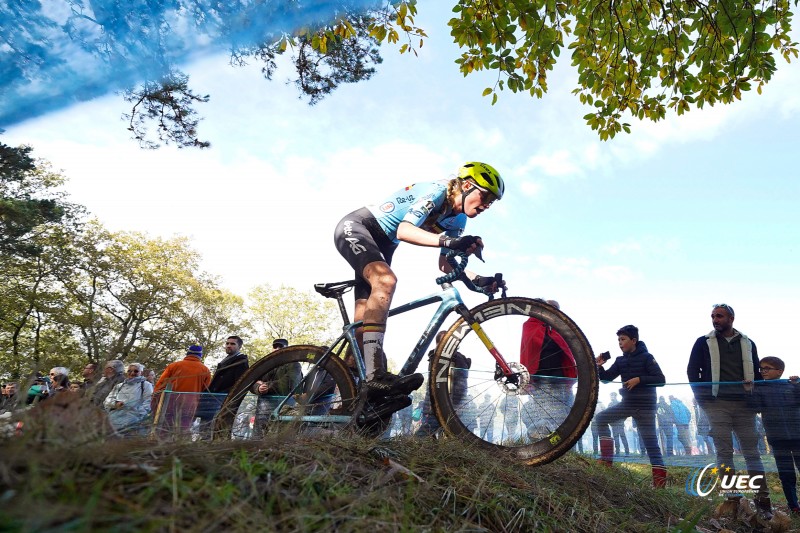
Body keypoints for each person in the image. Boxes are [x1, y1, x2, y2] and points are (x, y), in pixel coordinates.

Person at [333, 162, 505, 415]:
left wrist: (479, 280)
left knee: (361, 334)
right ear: (467, 186)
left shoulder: (457, 220)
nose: (487, 205)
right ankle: (374, 377)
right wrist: (450, 240)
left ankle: (341, 407)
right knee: (385, 281)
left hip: (383, 247)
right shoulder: (438, 191)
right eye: (486, 196)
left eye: (492, 203)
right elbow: (404, 230)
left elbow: (446, 264)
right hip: (359, 227)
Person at [687, 303, 772, 517]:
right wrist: (703, 400)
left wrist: (757, 391)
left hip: (745, 405)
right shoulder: (702, 342)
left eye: (719, 316)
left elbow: (757, 372)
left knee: (753, 453)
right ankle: (732, 499)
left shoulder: (748, 342)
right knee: (724, 453)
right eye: (713, 316)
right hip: (717, 405)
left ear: (731, 319)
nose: (715, 320)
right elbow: (692, 371)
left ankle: (763, 501)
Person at [595, 325, 667, 488]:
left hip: (645, 407)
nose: (620, 343)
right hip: (627, 404)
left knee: (651, 445)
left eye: (623, 339)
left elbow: (661, 379)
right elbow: (606, 378)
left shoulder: (647, 358)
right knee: (600, 418)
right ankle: (606, 460)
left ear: (634, 340)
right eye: (618, 340)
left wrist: (639, 379)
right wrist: (599, 366)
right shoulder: (620, 360)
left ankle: (660, 485)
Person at [744, 356, 800, 514]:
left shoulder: (791, 385)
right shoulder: (760, 388)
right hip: (777, 438)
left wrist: (797, 386)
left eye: (767, 368)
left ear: (780, 371)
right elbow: (754, 408)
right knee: (786, 474)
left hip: (797, 437)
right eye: (761, 369)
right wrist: (749, 392)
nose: (763, 371)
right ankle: (793, 506)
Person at [415, 331, 472, 437]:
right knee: (431, 433)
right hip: (434, 406)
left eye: (446, 342)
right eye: (441, 342)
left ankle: (414, 448)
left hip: (448, 407)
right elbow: (430, 386)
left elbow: (460, 387)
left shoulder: (457, 359)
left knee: (426, 433)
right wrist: (427, 407)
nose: (443, 345)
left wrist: (453, 407)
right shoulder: (435, 358)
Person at [152, 345, 211, 437]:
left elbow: (161, 384)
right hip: (190, 404)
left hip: (170, 402)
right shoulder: (205, 370)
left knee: (165, 428)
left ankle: (162, 448)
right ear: (200, 355)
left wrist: (155, 399)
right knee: (184, 428)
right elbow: (205, 390)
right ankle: (180, 448)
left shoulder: (174, 366)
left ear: (188, 353)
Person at [196, 335, 250, 436]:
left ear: (239, 346)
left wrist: (225, 396)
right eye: (227, 343)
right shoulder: (227, 360)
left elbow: (240, 384)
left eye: (233, 344)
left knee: (212, 429)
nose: (229, 346)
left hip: (221, 400)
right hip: (213, 399)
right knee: (205, 427)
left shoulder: (241, 362)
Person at [252, 338, 301, 436]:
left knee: (280, 436)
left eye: (281, 346)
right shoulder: (266, 366)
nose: (277, 348)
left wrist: (266, 385)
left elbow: (289, 383)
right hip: (263, 409)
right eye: (275, 346)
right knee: (258, 436)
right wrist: (258, 388)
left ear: (287, 349)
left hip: (284, 407)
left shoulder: (294, 365)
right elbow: (252, 381)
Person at [104, 362, 154, 435]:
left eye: (136, 371)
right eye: (129, 371)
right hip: (114, 420)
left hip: (134, 423)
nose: (132, 373)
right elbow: (107, 401)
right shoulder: (119, 386)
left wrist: (136, 415)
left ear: (141, 372)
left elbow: (148, 403)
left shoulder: (146, 385)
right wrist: (115, 404)